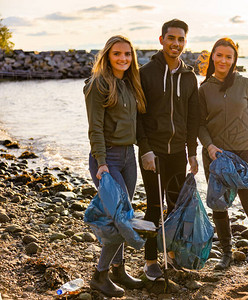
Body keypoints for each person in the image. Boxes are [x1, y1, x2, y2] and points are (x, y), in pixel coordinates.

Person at [198, 38, 248, 286]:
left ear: (234, 60)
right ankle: (225, 253)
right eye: (219, 55)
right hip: (214, 156)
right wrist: (209, 146)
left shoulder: (245, 85)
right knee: (219, 207)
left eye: (229, 57)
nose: (223, 60)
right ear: (212, 57)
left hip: (242, 157)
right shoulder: (204, 89)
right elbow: (199, 123)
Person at [137, 19, 199, 280]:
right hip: (154, 153)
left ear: (185, 42)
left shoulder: (189, 76)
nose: (176, 43)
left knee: (175, 207)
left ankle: (171, 255)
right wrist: (146, 149)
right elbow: (138, 117)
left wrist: (193, 152)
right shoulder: (145, 73)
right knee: (153, 207)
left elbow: (192, 118)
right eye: (171, 38)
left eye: (181, 39)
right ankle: (150, 260)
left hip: (178, 154)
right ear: (161, 40)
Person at [84, 35, 146, 297]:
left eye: (128, 54)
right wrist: (101, 163)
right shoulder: (98, 85)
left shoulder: (130, 83)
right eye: (117, 54)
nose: (123, 58)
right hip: (107, 159)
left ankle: (119, 269)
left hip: (129, 157)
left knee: (125, 215)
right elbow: (94, 128)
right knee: (121, 219)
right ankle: (100, 275)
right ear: (107, 56)